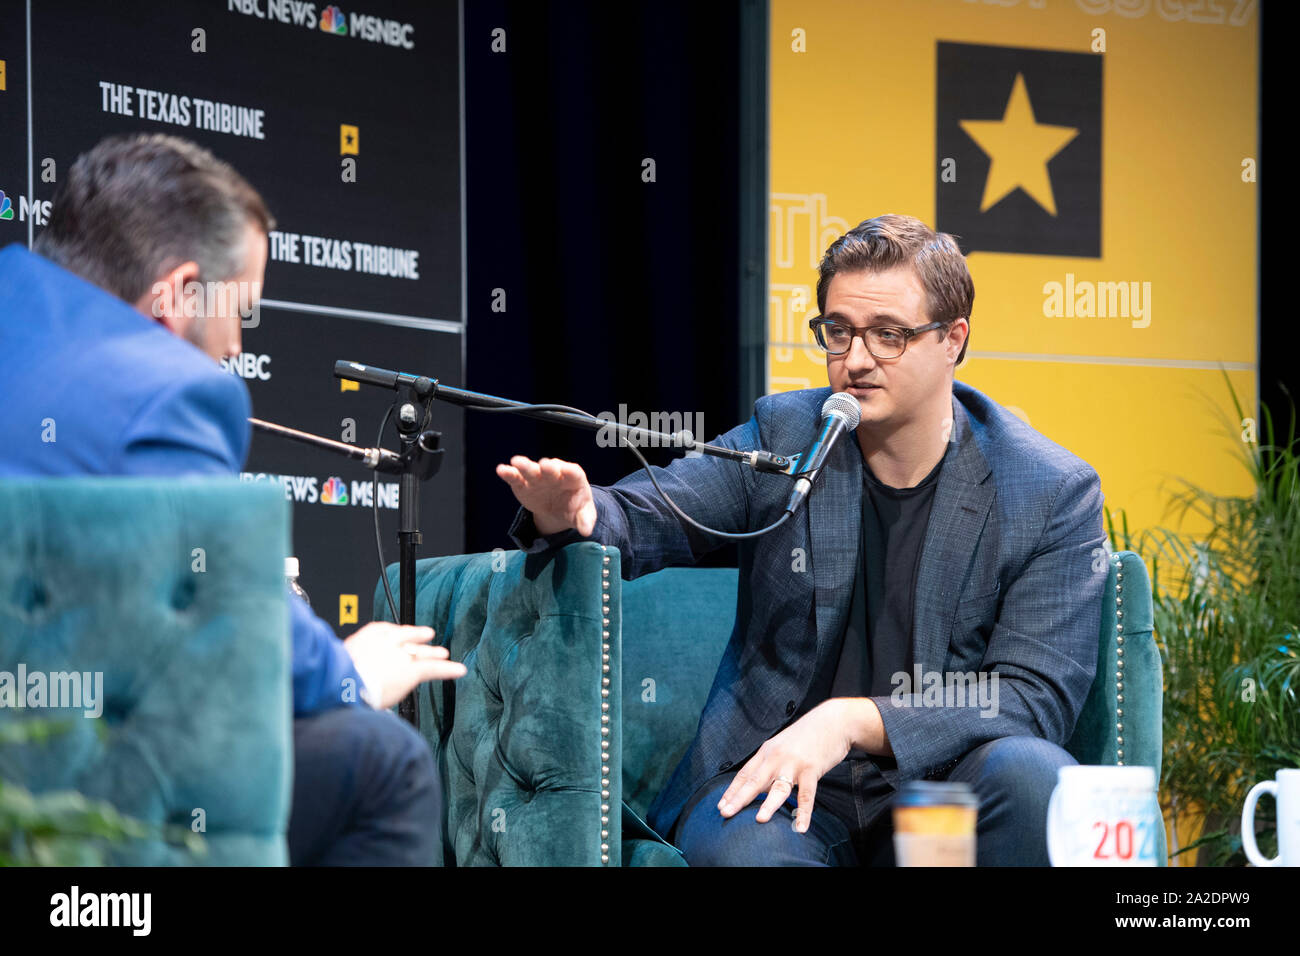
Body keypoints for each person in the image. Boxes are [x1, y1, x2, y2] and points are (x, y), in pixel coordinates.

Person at [497, 214, 1107, 866]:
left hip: (943, 784)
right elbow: (659, 512)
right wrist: (580, 512)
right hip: (781, 780)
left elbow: (1030, 699)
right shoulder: (789, 433)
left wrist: (849, 720)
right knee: (748, 854)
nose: (856, 360)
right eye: (838, 331)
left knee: (1032, 774)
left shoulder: (1046, 490)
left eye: (889, 335)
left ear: (953, 339)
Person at [0, 132, 466, 865]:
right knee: (384, 760)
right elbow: (241, 627)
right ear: (183, 293)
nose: (236, 346)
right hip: (42, 792)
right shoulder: (161, 388)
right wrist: (349, 675)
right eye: (240, 311)